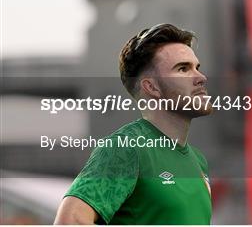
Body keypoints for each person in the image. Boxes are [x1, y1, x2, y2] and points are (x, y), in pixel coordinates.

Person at [54, 24, 213, 224]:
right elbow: (70, 221)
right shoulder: (126, 148)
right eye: (183, 69)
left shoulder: (198, 161)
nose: (201, 78)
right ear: (152, 87)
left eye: (196, 68)